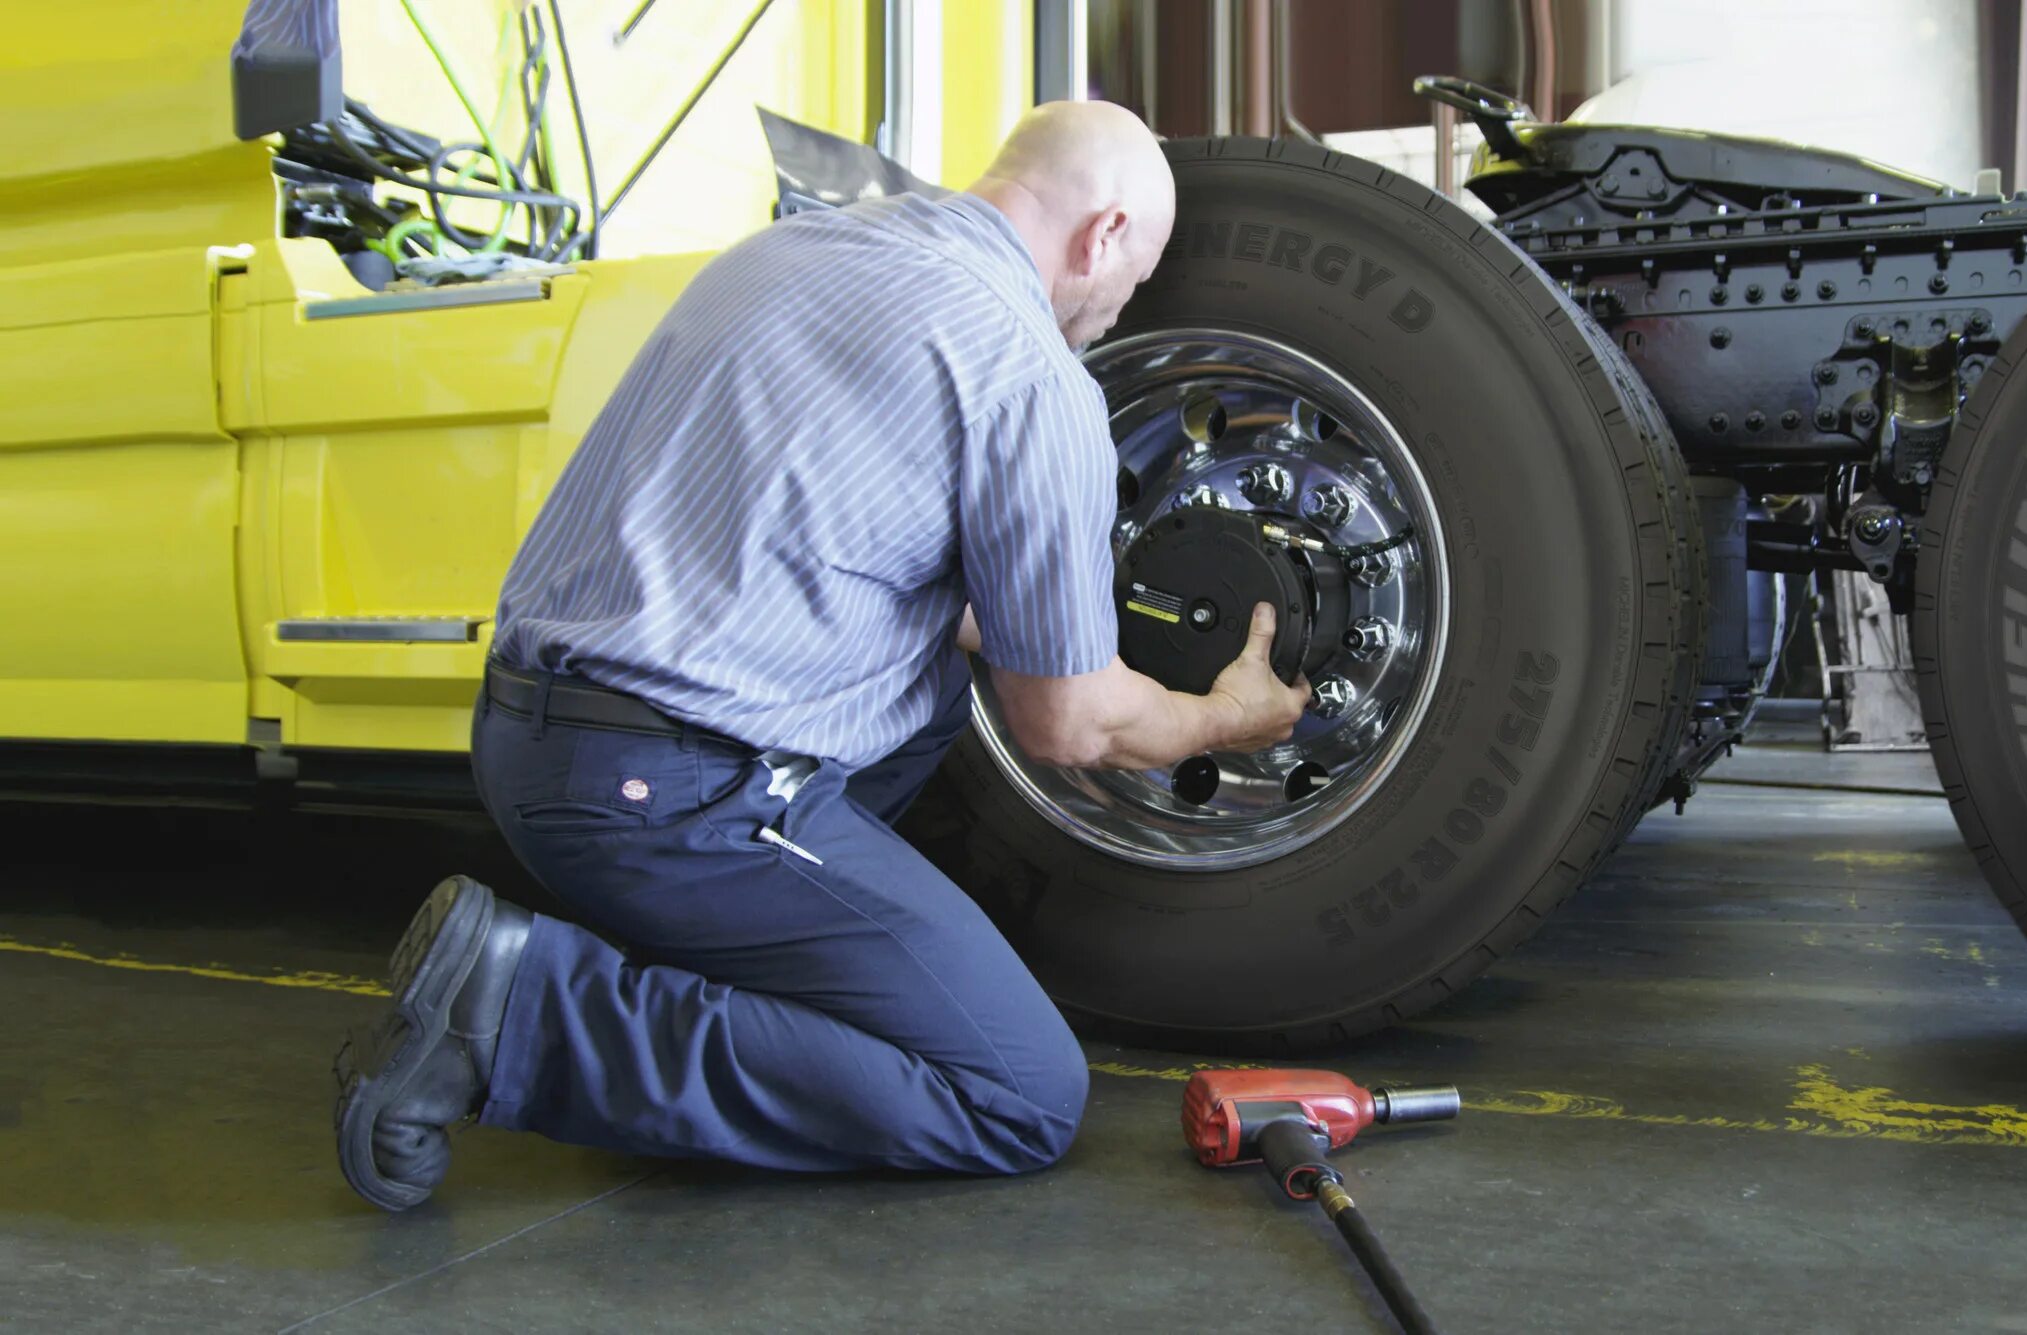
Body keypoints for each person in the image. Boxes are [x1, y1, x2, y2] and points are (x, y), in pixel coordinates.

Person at [333, 101, 1309, 1211]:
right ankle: (524, 1016)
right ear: (1103, 235)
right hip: (669, 796)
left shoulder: (791, 250)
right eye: (1132, 280)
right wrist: (1227, 717)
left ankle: (725, 974)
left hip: (528, 743)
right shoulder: (1028, 371)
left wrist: (1059, 618)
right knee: (1018, 1092)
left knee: (937, 691)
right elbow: (1068, 724)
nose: (1111, 312)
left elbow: (833, 552)